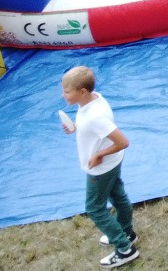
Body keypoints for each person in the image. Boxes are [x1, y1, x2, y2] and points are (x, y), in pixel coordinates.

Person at [61, 66, 137, 267]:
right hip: (113, 164)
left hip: (101, 169)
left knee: (94, 208)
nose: (63, 94)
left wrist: (98, 155)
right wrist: (76, 128)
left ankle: (125, 249)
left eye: (67, 91)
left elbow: (123, 141)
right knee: (118, 197)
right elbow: (91, 126)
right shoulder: (93, 100)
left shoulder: (95, 116)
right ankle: (127, 232)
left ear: (82, 92)